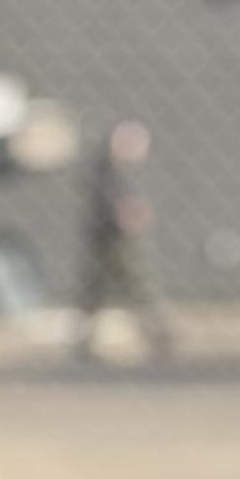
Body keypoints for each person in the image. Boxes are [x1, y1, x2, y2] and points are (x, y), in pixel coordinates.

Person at [80, 117, 173, 358]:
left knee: (138, 288)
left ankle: (158, 333)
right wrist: (126, 213)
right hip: (111, 240)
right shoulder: (109, 171)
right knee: (109, 289)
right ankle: (87, 339)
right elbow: (118, 204)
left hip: (120, 240)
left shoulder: (127, 172)